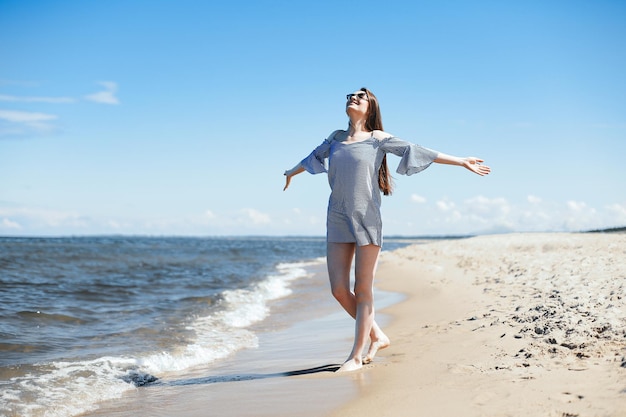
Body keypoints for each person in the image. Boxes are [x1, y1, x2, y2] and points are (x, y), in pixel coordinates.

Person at [283, 87, 491, 372]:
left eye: (360, 96)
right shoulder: (335, 138)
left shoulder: (377, 139)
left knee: (363, 288)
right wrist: (289, 173)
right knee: (339, 289)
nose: (352, 97)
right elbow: (311, 158)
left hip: (367, 218)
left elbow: (417, 150)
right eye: (349, 95)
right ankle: (377, 335)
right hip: (336, 218)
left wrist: (461, 161)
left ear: (371, 107)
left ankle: (355, 356)